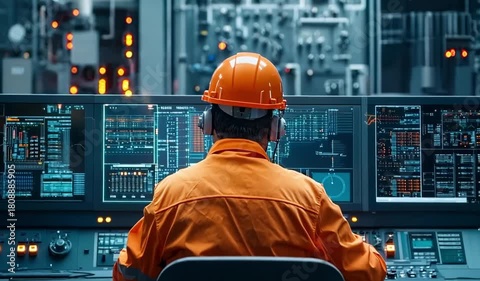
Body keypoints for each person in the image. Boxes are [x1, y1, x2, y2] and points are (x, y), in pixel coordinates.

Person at [112, 52, 387, 281]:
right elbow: (369, 274)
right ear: (275, 129)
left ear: (208, 123)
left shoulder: (171, 196)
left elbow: (128, 274)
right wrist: (374, 249)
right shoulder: (309, 200)